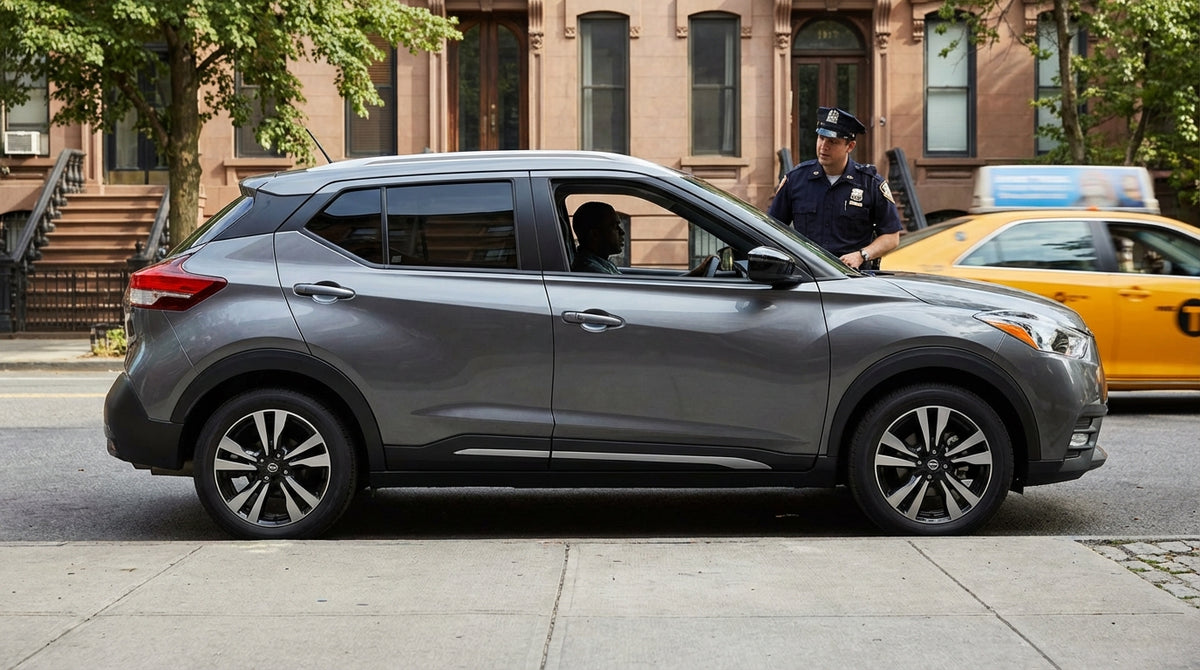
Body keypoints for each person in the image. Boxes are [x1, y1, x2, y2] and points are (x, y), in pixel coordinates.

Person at [768, 107, 902, 271]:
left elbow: (892, 237)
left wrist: (861, 255)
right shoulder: (796, 180)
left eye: (833, 142)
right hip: (806, 276)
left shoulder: (870, 183)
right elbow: (771, 229)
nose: (823, 146)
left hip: (852, 277)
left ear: (850, 146)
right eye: (821, 138)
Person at [570, 201, 717, 276]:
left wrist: (693, 274)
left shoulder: (600, 263)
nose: (622, 232)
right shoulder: (591, 271)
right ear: (595, 235)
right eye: (614, 226)